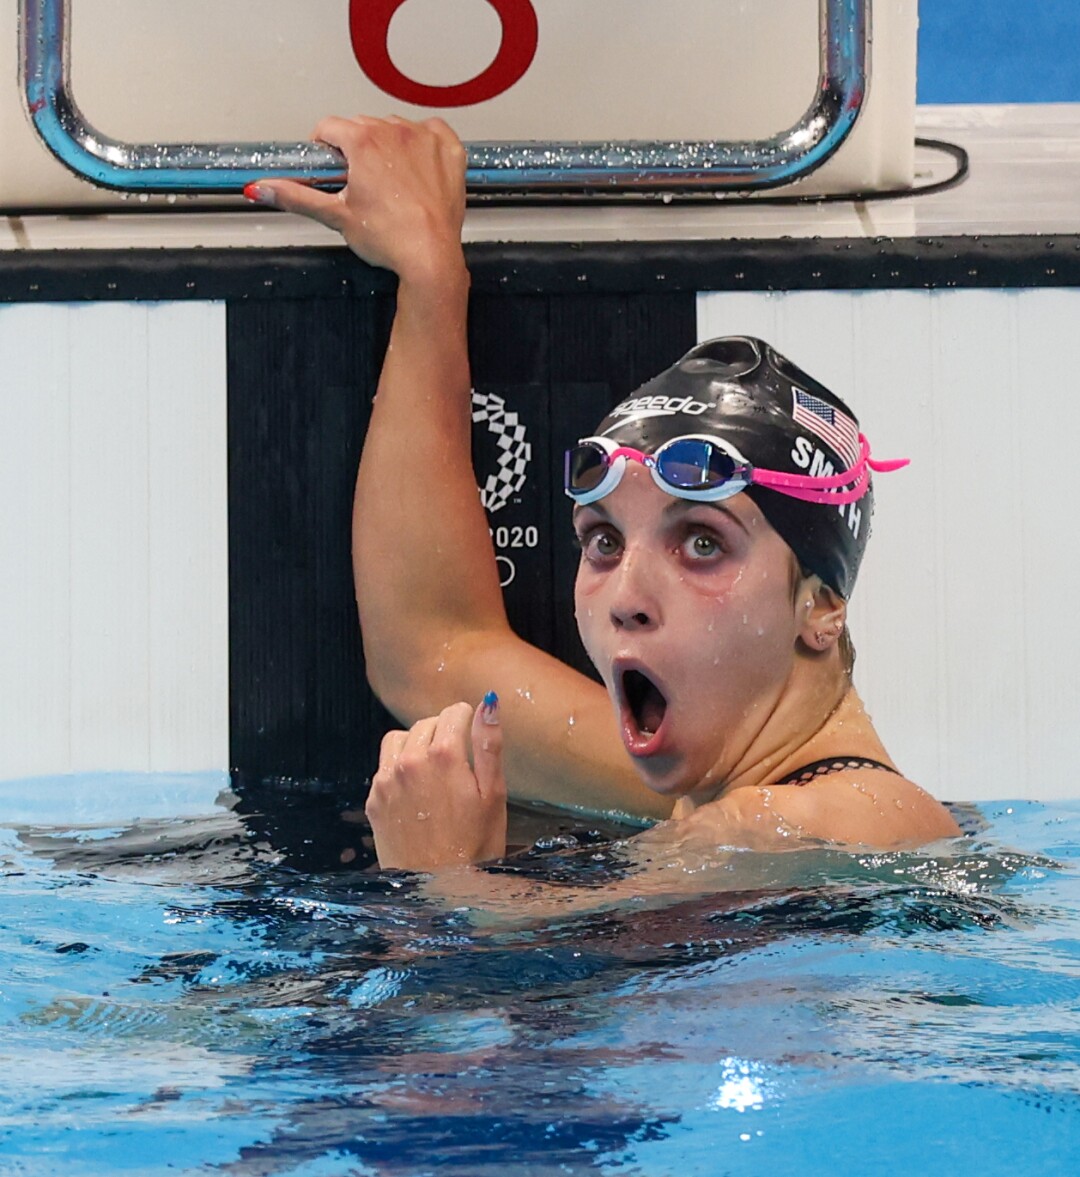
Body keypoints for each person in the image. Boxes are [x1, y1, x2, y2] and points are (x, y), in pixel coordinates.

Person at [244, 115, 961, 876]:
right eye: (606, 541)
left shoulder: (798, 826)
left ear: (820, 606)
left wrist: (443, 878)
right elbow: (432, 650)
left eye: (702, 543)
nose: (628, 596)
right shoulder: (722, 782)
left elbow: (533, 983)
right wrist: (429, 276)